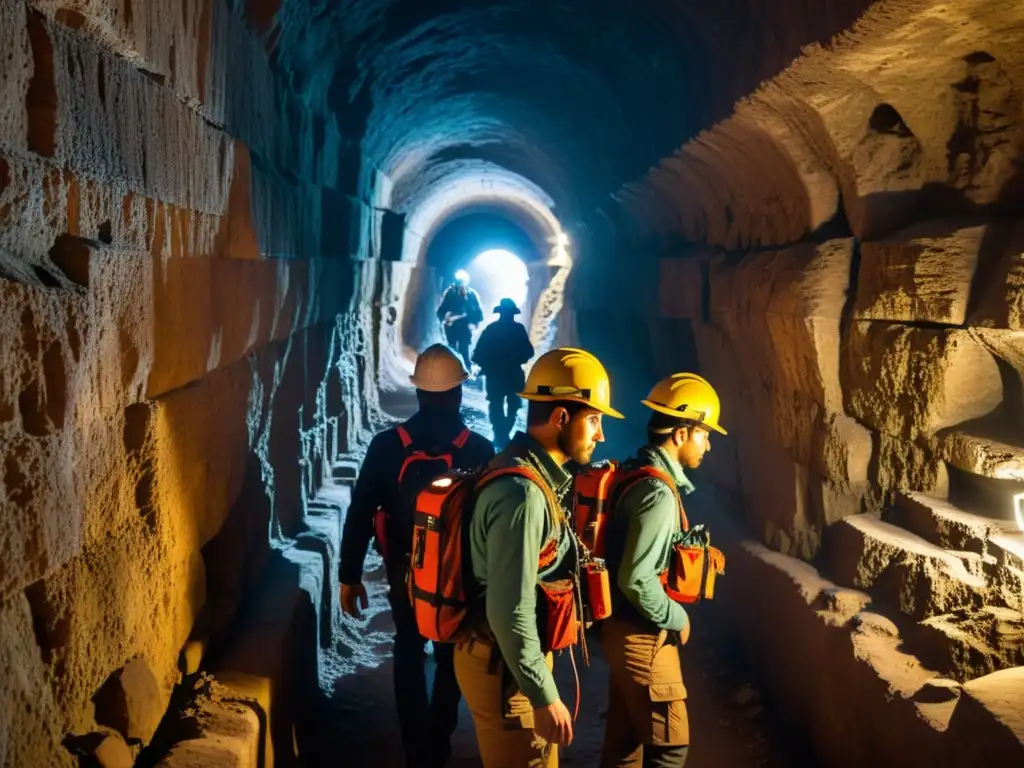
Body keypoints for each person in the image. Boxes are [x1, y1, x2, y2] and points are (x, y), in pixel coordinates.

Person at [454, 347, 625, 767]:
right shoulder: (524, 495)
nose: (600, 434)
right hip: (503, 668)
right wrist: (544, 697)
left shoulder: (531, 476)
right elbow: (510, 609)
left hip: (509, 660)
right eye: (594, 419)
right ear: (561, 418)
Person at [338, 344, 495, 768]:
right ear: (458, 393)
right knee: (450, 653)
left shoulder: (389, 446)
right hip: (458, 577)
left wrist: (349, 574)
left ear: (420, 393)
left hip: (404, 569)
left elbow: (361, 510)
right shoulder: (479, 450)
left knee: (408, 648)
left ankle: (414, 744)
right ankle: (439, 738)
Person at [599, 373, 727, 768]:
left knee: (626, 745)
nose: (708, 443)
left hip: (620, 629)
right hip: (643, 636)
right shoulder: (657, 494)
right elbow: (636, 578)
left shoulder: (637, 473)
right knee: (670, 750)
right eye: (704, 434)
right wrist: (678, 617)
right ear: (682, 432)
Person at [472, 297, 535, 450]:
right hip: (512, 374)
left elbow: (477, 354)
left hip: (496, 375)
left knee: (497, 404)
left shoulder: (492, 329)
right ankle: (503, 431)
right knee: (511, 404)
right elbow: (529, 352)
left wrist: (488, 363)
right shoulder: (518, 329)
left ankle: (500, 433)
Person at [436, 270, 483, 372]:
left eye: (462, 282)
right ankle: (450, 372)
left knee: (464, 350)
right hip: (452, 327)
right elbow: (442, 309)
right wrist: (445, 319)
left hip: (464, 327)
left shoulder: (471, 295)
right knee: (451, 349)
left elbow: (478, 312)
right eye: (459, 282)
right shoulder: (450, 293)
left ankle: (465, 372)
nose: (460, 284)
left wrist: (474, 323)